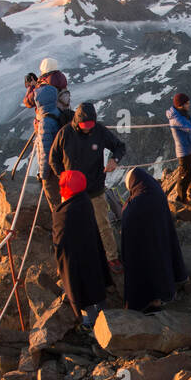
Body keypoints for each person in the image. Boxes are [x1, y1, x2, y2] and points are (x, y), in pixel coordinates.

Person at [53, 102, 127, 272]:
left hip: (95, 187)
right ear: (76, 121)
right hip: (71, 191)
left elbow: (119, 146)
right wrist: (63, 177)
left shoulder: (99, 131)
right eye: (84, 126)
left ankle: (112, 257)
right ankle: (77, 259)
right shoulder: (65, 133)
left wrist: (114, 160)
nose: (87, 129)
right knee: (72, 226)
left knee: (103, 224)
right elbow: (54, 158)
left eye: (90, 126)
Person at [45, 169, 111, 326]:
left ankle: (93, 322)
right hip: (91, 252)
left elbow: (60, 240)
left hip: (73, 258)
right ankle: (106, 314)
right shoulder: (85, 200)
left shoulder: (63, 212)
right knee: (94, 281)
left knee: (80, 286)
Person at [120, 167, 188, 313]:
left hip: (144, 247)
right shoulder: (155, 190)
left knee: (147, 270)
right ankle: (164, 294)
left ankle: (148, 302)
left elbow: (128, 220)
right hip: (160, 239)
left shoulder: (137, 204)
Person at [31, 59, 72, 178]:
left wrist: (33, 87)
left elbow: (29, 101)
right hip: (61, 118)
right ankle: (61, 171)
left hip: (47, 118)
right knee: (60, 148)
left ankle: (47, 173)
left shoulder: (45, 84)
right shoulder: (61, 80)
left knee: (45, 146)